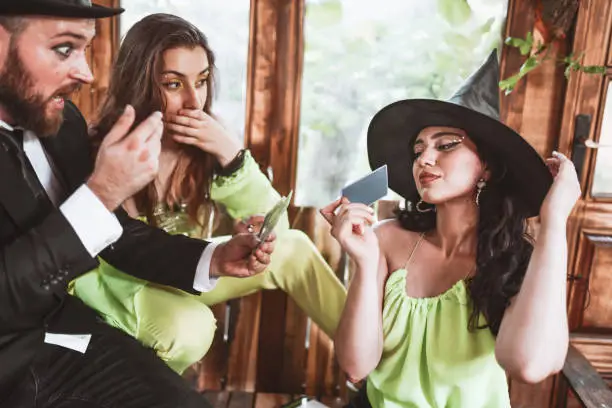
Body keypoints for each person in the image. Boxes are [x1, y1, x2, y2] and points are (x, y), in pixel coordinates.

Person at [0, 2, 275, 407]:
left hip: (65, 338)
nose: (87, 73)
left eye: (85, 50)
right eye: (64, 49)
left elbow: (116, 235)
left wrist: (213, 258)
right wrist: (101, 193)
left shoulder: (62, 120)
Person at [69, 13, 347, 374]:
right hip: (119, 285)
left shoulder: (205, 143)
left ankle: (376, 368)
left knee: (294, 248)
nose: (193, 101)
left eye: (200, 82)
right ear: (138, 83)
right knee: (190, 327)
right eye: (173, 84)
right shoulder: (103, 147)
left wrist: (231, 155)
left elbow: (270, 217)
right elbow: (122, 250)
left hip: (188, 269)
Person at [322, 50, 581, 407]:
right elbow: (355, 366)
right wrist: (365, 266)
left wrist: (553, 223)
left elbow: (530, 365)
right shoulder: (385, 239)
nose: (424, 159)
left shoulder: (515, 258)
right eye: (418, 150)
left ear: (486, 168)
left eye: (446, 145)